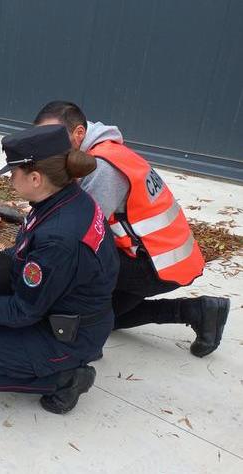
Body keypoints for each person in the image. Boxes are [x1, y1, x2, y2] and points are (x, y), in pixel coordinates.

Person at [0, 125, 118, 414]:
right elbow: (26, 257)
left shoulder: (58, 236)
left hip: (67, 333)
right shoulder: (64, 199)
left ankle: (66, 377)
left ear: (35, 178)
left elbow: (23, 311)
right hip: (67, 310)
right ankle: (13, 347)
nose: (9, 179)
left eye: (13, 172)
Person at [34, 101, 230, 357]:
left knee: (83, 309)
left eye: (52, 137)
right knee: (108, 319)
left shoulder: (103, 166)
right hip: (162, 256)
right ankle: (200, 311)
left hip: (156, 264)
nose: (46, 145)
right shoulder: (104, 151)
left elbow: (79, 230)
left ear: (79, 133)